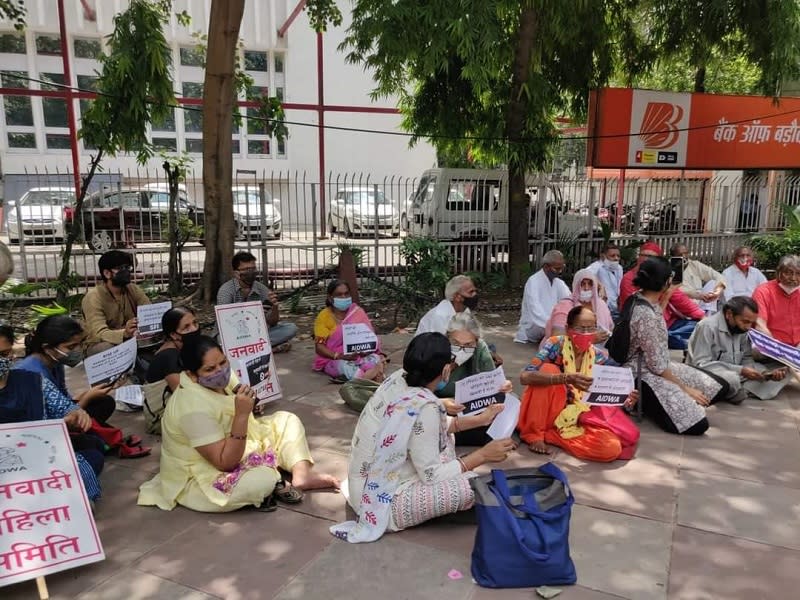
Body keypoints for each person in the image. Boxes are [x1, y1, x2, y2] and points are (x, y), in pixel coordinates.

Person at [333, 333, 516, 542]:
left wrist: (481, 420)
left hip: (365, 487)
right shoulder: (426, 406)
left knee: (446, 445)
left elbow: (430, 427)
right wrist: (482, 455)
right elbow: (431, 476)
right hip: (383, 505)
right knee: (475, 486)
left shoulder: (398, 380)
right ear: (446, 369)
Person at [138, 335, 338, 512]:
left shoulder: (224, 375)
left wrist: (251, 403)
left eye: (223, 363)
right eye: (210, 369)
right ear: (191, 375)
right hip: (204, 471)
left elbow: (240, 399)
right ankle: (271, 475)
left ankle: (301, 476)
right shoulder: (191, 408)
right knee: (261, 482)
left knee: (287, 420)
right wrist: (241, 415)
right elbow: (224, 463)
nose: (221, 371)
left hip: (236, 441)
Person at [518, 306, 639, 461]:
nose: (586, 334)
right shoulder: (555, 344)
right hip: (547, 411)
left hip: (577, 416)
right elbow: (525, 377)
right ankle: (534, 434)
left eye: (591, 329)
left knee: (611, 448)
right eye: (581, 329)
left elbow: (605, 395)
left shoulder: (598, 356)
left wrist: (626, 399)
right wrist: (564, 379)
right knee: (548, 369)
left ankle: (552, 434)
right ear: (568, 329)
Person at [622, 258, 727, 435]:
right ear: (665, 282)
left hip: (658, 364)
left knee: (719, 387)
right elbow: (657, 366)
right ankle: (649, 402)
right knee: (697, 424)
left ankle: (670, 398)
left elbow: (656, 315)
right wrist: (685, 389)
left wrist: (669, 293)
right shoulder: (644, 314)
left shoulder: (638, 298)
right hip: (642, 372)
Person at [0, 325, 102, 503]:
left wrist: (75, 414)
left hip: (38, 453)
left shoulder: (31, 380)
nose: (3, 359)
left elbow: (65, 407)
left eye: (4, 354)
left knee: (91, 458)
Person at [15, 315, 116, 424]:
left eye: (79, 344)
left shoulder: (55, 362)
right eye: (71, 347)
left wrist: (92, 392)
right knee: (94, 439)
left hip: (58, 414)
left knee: (104, 401)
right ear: (48, 348)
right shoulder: (31, 374)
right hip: (40, 425)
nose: (78, 350)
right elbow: (54, 419)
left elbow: (63, 399)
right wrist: (87, 397)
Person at [688, 296, 789, 402]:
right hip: (710, 374)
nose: (748, 327)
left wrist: (764, 374)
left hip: (737, 373)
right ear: (729, 314)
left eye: (751, 323)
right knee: (732, 379)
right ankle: (740, 390)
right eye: (745, 322)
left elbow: (747, 357)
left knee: (782, 370)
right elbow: (700, 364)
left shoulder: (742, 330)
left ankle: (737, 391)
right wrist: (741, 370)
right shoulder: (707, 327)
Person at [435, 311, 513, 446]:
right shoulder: (436, 350)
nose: (462, 349)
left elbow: (492, 384)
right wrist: (442, 403)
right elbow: (416, 396)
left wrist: (503, 386)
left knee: (510, 405)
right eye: (455, 343)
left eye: (468, 345)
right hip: (441, 410)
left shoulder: (480, 349)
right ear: (448, 337)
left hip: (472, 410)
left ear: (476, 342)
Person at [216, 251, 297, 352]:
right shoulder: (226, 290)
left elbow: (272, 322)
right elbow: (224, 321)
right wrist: (252, 312)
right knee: (220, 341)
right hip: (232, 334)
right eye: (246, 269)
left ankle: (247, 350)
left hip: (256, 333)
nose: (251, 272)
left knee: (290, 328)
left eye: (253, 268)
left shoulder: (262, 289)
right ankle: (266, 349)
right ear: (236, 273)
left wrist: (275, 307)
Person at [416, 275, 503, 366]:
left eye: (475, 291)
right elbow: (439, 347)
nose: (475, 295)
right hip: (427, 355)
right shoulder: (440, 315)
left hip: (452, 347)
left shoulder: (464, 309)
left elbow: (474, 336)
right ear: (457, 297)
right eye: (471, 292)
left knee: (488, 347)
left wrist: (488, 353)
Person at [313, 280, 385, 382]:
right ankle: (369, 376)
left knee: (375, 358)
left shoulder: (357, 312)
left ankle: (367, 376)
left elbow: (370, 338)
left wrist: (366, 350)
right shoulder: (324, 316)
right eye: (339, 295)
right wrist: (340, 356)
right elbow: (319, 347)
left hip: (360, 355)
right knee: (343, 367)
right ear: (330, 298)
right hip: (336, 358)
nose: (344, 297)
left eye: (346, 294)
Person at [82, 250, 151, 356]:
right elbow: (99, 333)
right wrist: (125, 333)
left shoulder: (132, 289)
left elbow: (149, 311)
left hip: (131, 337)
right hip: (100, 344)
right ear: (107, 273)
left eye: (128, 268)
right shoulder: (93, 297)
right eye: (120, 268)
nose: (126, 272)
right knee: (107, 348)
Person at [515, 250, 571, 345]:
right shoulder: (533, 281)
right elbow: (535, 311)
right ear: (546, 267)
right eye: (557, 269)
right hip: (533, 325)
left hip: (553, 324)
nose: (560, 272)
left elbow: (569, 301)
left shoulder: (559, 283)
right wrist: (553, 325)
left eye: (562, 268)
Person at [545, 268, 613, 342]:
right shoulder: (564, 306)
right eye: (583, 284)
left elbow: (610, 328)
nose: (586, 288)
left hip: (598, 351)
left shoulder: (601, 305)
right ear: (575, 285)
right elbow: (557, 339)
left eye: (590, 284)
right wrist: (589, 339)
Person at [146, 306, 200, 392]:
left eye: (195, 323)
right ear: (173, 335)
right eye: (186, 327)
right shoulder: (169, 357)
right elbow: (184, 393)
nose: (194, 329)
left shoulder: (185, 346)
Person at [752, 255, 800, 347]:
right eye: (788, 273)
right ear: (778, 273)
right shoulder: (763, 291)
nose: (793, 278)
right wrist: (776, 348)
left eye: (798, 273)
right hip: (771, 344)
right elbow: (760, 325)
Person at [618, 242, 664, 310]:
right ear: (638, 257)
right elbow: (633, 308)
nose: (645, 259)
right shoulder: (628, 278)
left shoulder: (661, 275)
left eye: (651, 256)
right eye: (643, 255)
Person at [589, 243, 623, 320]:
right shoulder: (597, 266)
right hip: (603, 309)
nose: (616, 258)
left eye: (618, 256)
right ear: (603, 256)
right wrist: (600, 285)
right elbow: (585, 274)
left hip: (618, 308)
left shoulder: (619, 268)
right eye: (612, 255)